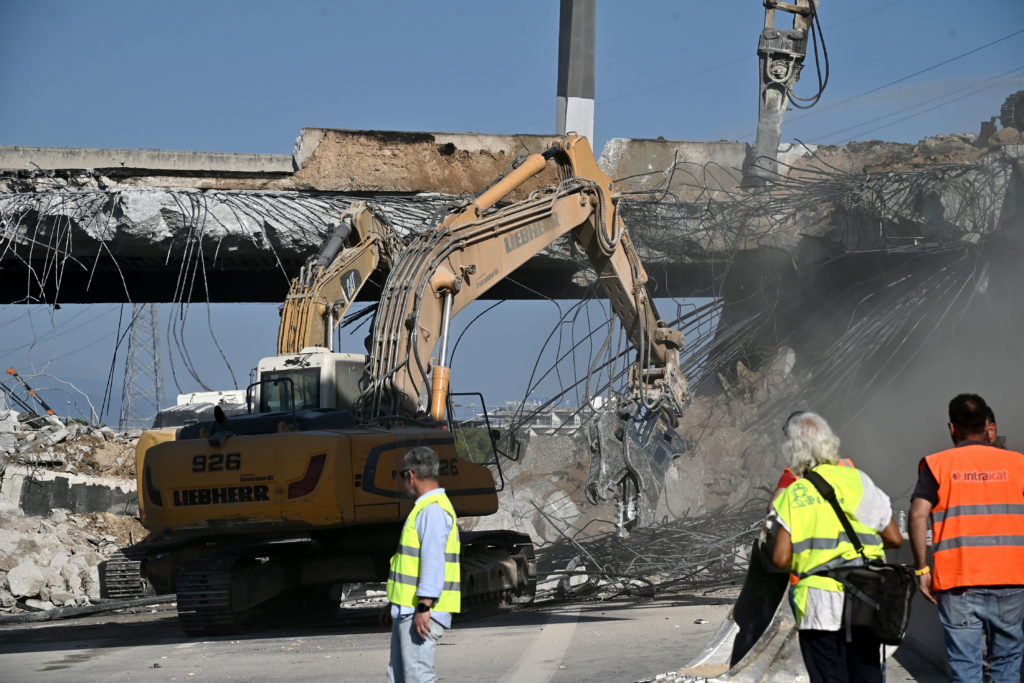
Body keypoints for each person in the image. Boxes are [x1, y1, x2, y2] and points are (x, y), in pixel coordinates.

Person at [771, 411, 902, 683]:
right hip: (865, 596)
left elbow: (781, 557)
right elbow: (895, 537)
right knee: (867, 674)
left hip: (818, 604)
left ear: (793, 449)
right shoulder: (858, 479)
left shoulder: (794, 491)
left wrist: (813, 560)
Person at [909, 394, 1024, 683]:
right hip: (1011, 580)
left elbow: (918, 515)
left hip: (958, 582)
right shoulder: (1018, 464)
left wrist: (922, 568)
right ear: (987, 425)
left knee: (965, 667)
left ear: (952, 428)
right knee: (1007, 664)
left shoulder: (937, 465)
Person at [381, 447, 461, 683]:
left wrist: (424, 606)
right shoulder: (426, 510)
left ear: (411, 475)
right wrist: (393, 604)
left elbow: (433, 561)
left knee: (418, 678)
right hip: (408, 609)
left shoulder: (432, 511)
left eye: (402, 476)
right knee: (399, 677)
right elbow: (412, 566)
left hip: (421, 611)